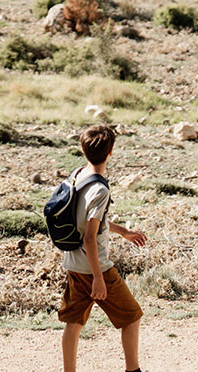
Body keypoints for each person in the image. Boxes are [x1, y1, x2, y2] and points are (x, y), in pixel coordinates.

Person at [58, 125, 148, 372]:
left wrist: (123, 232)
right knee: (132, 316)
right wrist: (98, 278)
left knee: (73, 323)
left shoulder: (77, 175)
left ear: (83, 151)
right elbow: (89, 237)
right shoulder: (100, 189)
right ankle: (133, 370)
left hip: (73, 264)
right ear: (110, 153)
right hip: (96, 268)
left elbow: (89, 223)